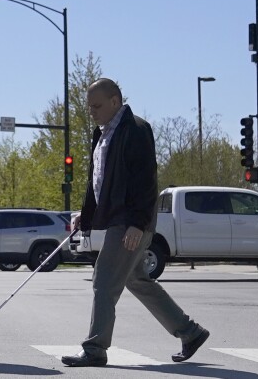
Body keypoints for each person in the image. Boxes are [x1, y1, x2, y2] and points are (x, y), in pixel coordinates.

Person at [62, 78, 210, 366]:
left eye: (97, 105)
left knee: (103, 281)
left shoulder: (137, 130)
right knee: (138, 280)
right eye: (89, 106)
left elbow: (145, 181)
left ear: (115, 101)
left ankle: (95, 349)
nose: (91, 111)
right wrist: (87, 214)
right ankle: (190, 332)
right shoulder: (102, 133)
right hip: (121, 219)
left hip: (130, 221)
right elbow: (98, 180)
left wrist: (138, 223)